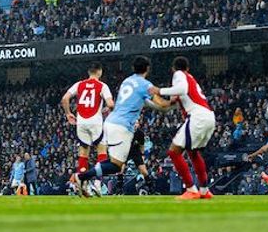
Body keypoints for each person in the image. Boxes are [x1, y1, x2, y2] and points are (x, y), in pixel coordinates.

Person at [75, 55, 165, 196]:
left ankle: (85, 178)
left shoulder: (126, 82)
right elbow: (160, 102)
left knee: (115, 165)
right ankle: (87, 179)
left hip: (110, 125)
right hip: (120, 128)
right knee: (114, 165)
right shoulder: (143, 84)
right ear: (147, 69)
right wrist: (174, 101)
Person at [156, 55, 217, 200]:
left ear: (173, 69)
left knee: (174, 152)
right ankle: (203, 191)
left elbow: (181, 89)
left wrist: (159, 90)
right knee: (193, 153)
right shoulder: (190, 79)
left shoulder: (179, 75)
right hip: (208, 116)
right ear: (188, 68)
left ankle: (191, 189)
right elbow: (169, 104)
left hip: (197, 116)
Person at [61, 63, 114, 183]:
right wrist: (107, 109)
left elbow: (65, 98)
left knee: (83, 153)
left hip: (81, 122)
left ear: (89, 72)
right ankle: (98, 184)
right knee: (101, 151)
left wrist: (68, 113)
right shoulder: (102, 86)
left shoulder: (79, 84)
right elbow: (110, 104)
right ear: (99, 72)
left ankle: (82, 182)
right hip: (95, 121)